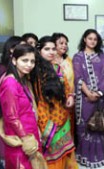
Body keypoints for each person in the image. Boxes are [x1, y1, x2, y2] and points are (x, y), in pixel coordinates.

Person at [33, 36, 77, 168]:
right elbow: (37, 97)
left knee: (64, 154)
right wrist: (44, 124)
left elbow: (67, 88)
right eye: (47, 49)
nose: (51, 52)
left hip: (63, 116)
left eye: (53, 49)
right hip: (46, 118)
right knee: (50, 156)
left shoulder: (58, 67)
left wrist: (70, 96)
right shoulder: (35, 70)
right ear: (39, 51)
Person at [0, 44, 41, 168]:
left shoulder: (22, 80)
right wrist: (26, 138)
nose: (29, 65)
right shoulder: (10, 83)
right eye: (24, 60)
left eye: (32, 61)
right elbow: (11, 117)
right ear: (14, 60)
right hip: (20, 138)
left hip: (29, 133)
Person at [73, 29, 104, 168]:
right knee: (84, 127)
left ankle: (98, 157)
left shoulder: (101, 56)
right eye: (90, 38)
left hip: (99, 98)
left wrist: (98, 93)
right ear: (84, 40)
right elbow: (78, 78)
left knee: (97, 126)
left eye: (95, 39)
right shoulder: (78, 57)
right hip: (84, 99)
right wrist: (88, 94)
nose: (92, 41)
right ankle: (85, 157)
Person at [52, 32, 75, 135]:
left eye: (66, 43)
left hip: (69, 99)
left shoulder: (69, 60)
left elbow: (74, 80)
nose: (64, 46)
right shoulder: (48, 61)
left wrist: (72, 96)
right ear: (54, 44)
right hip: (54, 101)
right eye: (61, 43)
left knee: (69, 127)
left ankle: (69, 150)